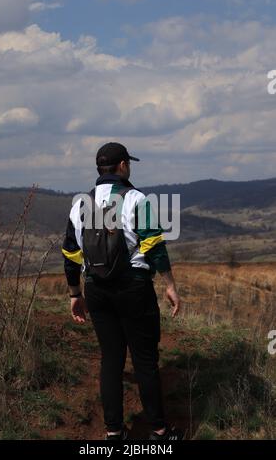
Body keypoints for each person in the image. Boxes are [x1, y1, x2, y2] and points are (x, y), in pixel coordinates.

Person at [62, 142, 181, 440]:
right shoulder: (136, 199)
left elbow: (71, 253)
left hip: (97, 291)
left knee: (111, 360)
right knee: (144, 359)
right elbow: (154, 246)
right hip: (133, 288)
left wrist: (75, 294)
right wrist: (170, 286)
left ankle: (114, 433)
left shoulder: (81, 204)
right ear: (123, 165)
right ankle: (158, 431)